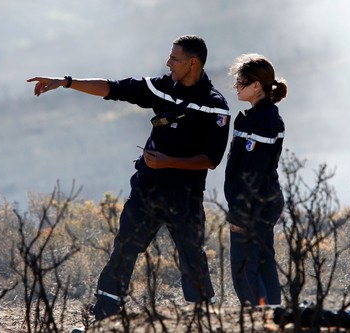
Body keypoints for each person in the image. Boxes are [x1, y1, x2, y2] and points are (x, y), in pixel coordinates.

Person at [27, 35, 230, 321]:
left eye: (175, 58)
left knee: (191, 254)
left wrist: (168, 163)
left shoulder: (215, 105)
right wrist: (66, 81)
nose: (168, 63)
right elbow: (113, 88)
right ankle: (106, 312)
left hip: (184, 197)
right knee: (125, 247)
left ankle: (203, 316)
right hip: (146, 189)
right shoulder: (161, 88)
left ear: (193, 62)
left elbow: (211, 159)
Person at [223, 53, 287, 307]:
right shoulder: (258, 117)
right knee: (262, 261)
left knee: (243, 267)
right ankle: (274, 316)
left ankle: (259, 319)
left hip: (253, 205)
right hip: (263, 201)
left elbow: (254, 172)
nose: (236, 86)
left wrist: (240, 213)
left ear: (256, 85)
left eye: (240, 81)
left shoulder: (265, 121)